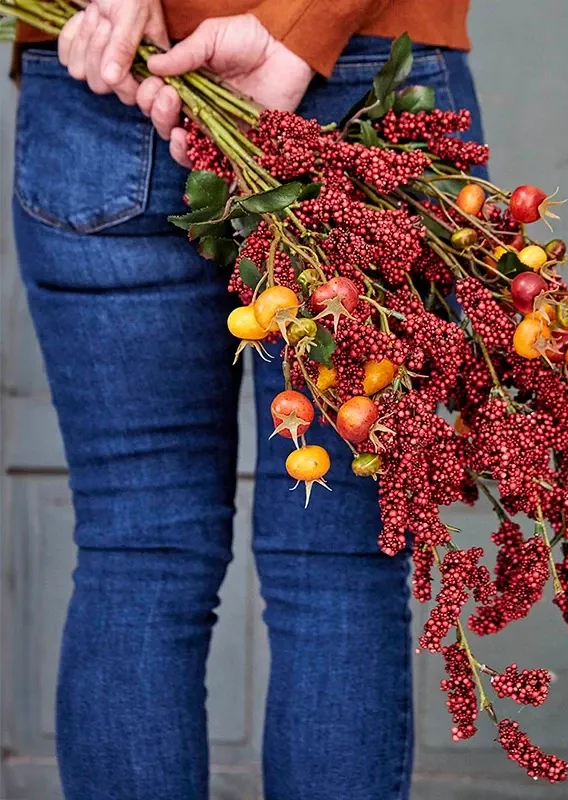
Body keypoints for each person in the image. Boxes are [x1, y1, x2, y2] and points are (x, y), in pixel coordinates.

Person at [12, 1, 482, 797]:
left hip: (108, 68)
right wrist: (306, 22)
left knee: (138, 553)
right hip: (354, 72)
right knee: (337, 567)